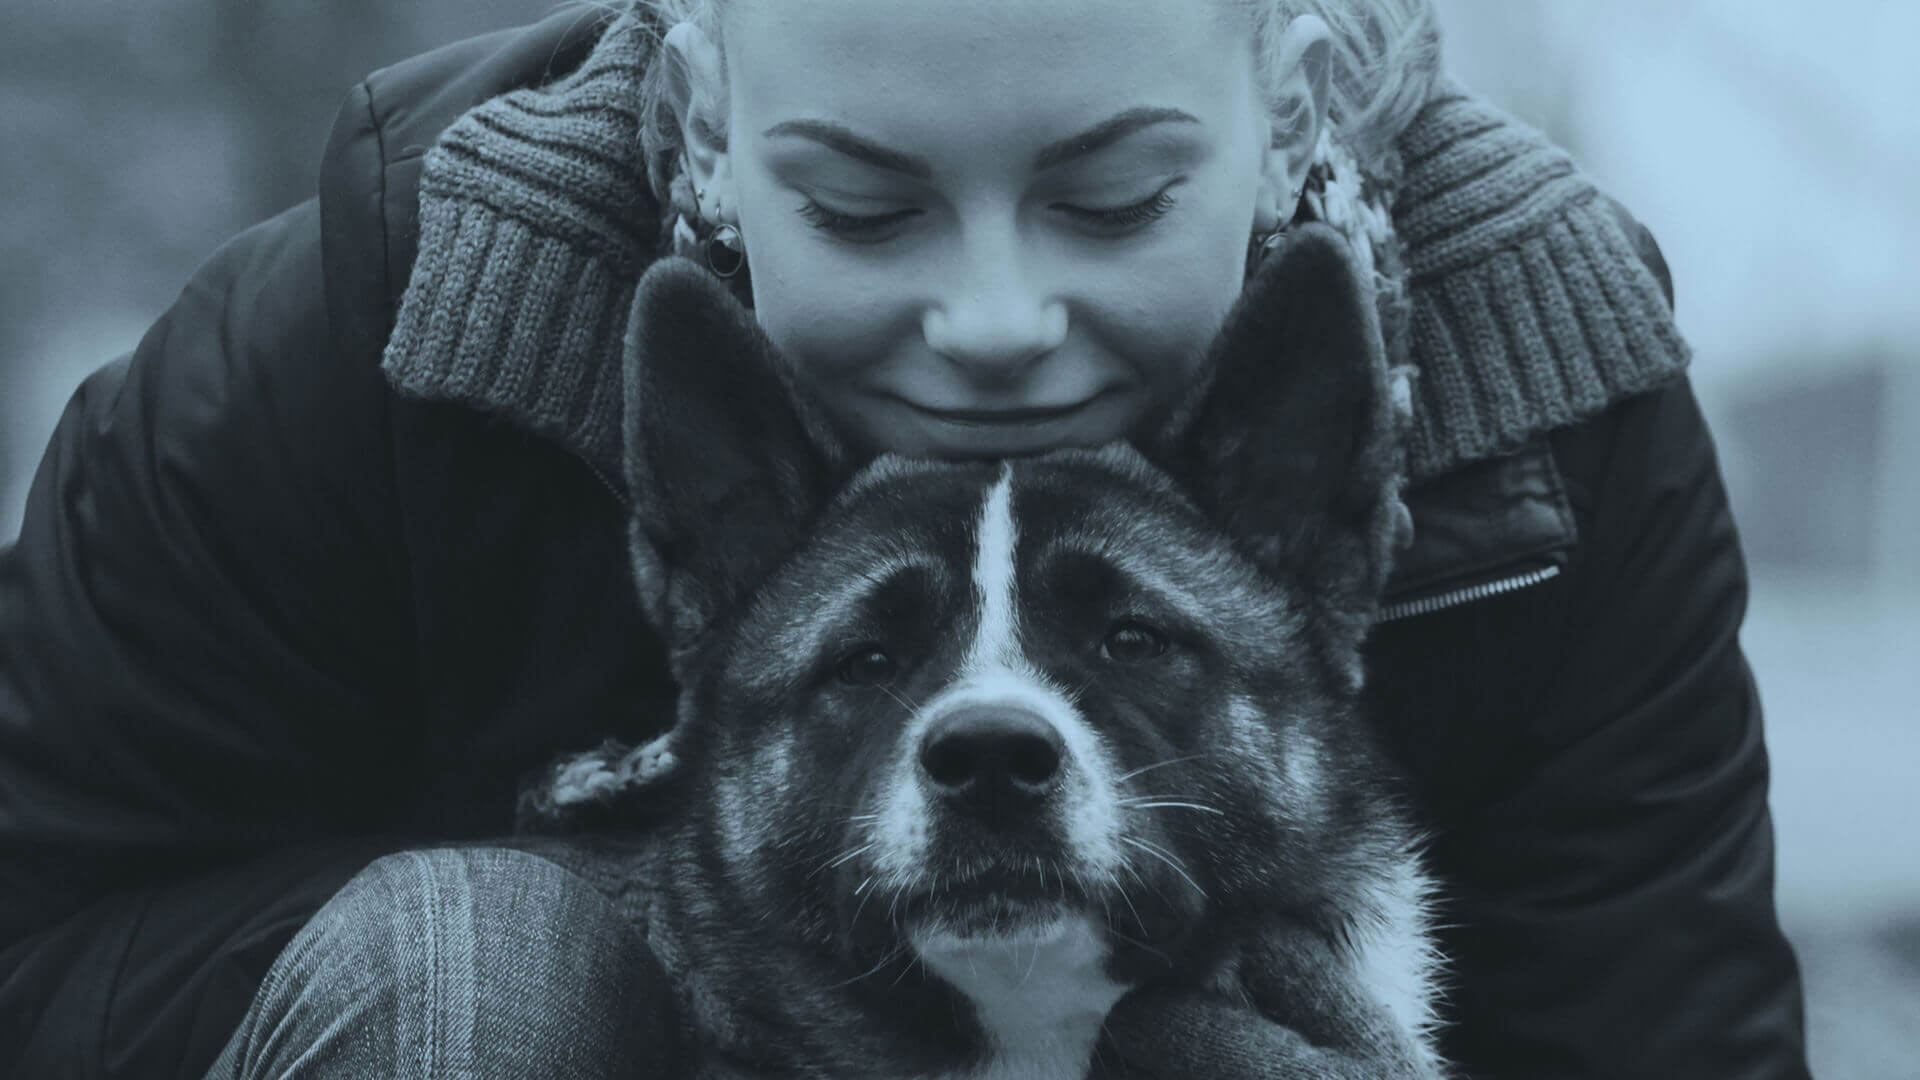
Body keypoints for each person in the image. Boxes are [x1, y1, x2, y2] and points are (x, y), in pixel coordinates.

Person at [0, 1, 1813, 1077]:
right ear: (711, 123)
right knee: (487, 964)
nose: (995, 322)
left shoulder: (1544, 383)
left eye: (1115, 199)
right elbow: (43, 937)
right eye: (864, 209)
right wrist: (690, 954)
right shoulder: (374, 315)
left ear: (1295, 109)